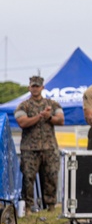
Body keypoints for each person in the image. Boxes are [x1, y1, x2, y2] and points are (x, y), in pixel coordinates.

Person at [14, 76, 64, 213]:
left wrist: (50, 117)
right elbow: (22, 122)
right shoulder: (23, 105)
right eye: (33, 86)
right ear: (29, 88)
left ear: (42, 88)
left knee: (51, 177)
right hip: (30, 149)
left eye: (38, 86)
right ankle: (28, 207)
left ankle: (51, 206)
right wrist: (40, 116)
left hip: (49, 148)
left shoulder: (52, 104)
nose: (35, 88)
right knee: (28, 178)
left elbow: (61, 120)